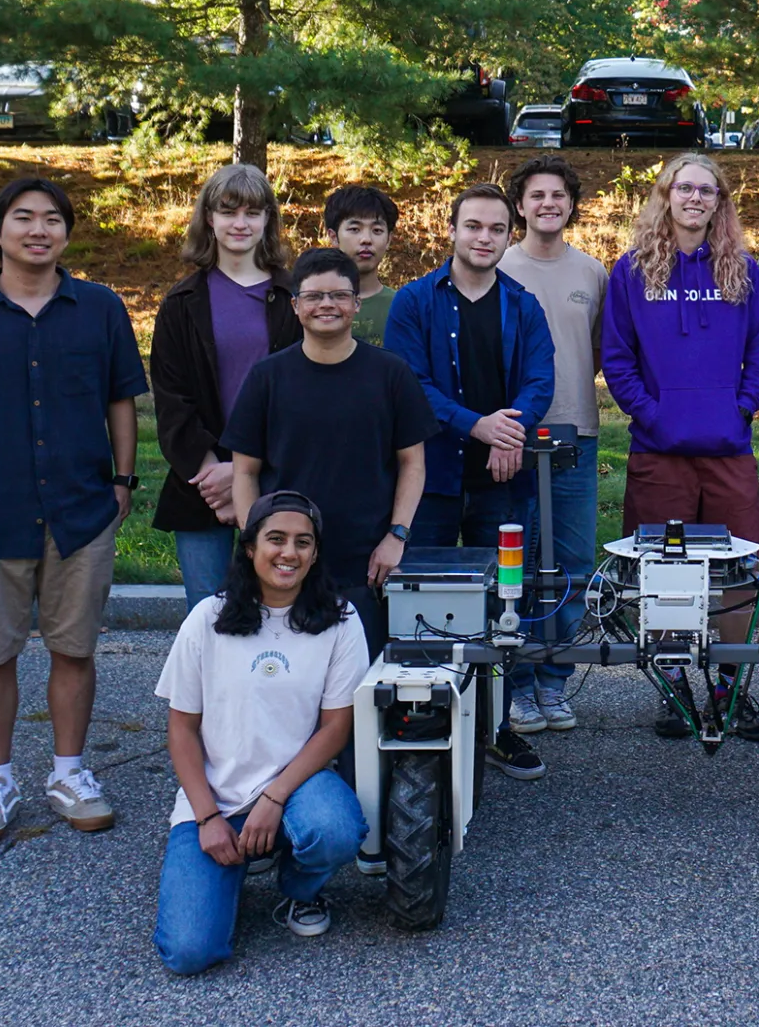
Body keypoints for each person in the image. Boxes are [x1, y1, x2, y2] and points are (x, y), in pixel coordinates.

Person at [0, 177, 148, 848]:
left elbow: (121, 400)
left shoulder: (99, 309)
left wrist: (122, 481)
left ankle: (70, 773)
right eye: (23, 219)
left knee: (74, 649)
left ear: (66, 234)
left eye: (52, 220)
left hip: (80, 511)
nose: (38, 230)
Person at [152, 491, 371, 974]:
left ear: (315, 554)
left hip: (297, 788)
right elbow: (181, 729)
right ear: (250, 547)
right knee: (189, 953)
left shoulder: (340, 620)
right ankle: (238, 855)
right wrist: (207, 818)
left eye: (302, 542)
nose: (288, 553)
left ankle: (298, 889)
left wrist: (273, 799)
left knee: (333, 829)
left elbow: (337, 727)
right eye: (275, 539)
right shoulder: (206, 619)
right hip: (216, 799)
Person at [602, 153, 759, 742]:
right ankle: (673, 682)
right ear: (666, 195)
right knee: (665, 572)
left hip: (728, 447)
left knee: (733, 573)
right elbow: (617, 358)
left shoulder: (744, 271)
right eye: (686, 188)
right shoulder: (630, 272)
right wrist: (650, 413)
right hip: (659, 448)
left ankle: (730, 684)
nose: (696, 198)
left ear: (720, 202)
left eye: (708, 190)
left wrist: (742, 408)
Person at [384, 184, 556, 780]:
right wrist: (479, 427)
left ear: (510, 236)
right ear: (452, 231)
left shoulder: (522, 304)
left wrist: (508, 434)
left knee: (505, 602)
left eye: (496, 229)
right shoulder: (414, 302)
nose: (484, 238)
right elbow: (412, 386)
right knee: (420, 599)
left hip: (501, 480)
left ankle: (498, 726)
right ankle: (418, 716)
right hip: (428, 478)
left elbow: (540, 380)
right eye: (474, 227)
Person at [223, 247, 435, 660]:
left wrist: (397, 536)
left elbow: (414, 464)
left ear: (356, 304)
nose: (326, 305)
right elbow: (245, 473)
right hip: (287, 563)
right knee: (283, 682)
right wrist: (259, 547)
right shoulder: (267, 377)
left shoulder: (391, 374)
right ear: (295, 305)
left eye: (338, 295)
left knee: (360, 690)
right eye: (314, 295)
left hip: (365, 562)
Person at [151, 164, 301, 608]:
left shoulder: (294, 298)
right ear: (209, 219)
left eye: (253, 213)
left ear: (268, 221)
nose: (240, 223)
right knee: (210, 619)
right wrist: (220, 475)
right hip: (205, 488)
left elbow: (301, 395)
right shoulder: (181, 303)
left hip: (279, 481)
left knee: (283, 618)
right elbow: (171, 399)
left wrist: (247, 476)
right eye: (228, 211)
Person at [498, 156, 606, 735]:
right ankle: (517, 686)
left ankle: (554, 682)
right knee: (517, 565)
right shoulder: (499, 266)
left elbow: (595, 347)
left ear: (570, 204)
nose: (547, 204)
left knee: (572, 563)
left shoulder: (592, 272)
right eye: (536, 195)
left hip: (576, 432)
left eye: (558, 195)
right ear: (520, 205)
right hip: (514, 436)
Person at [323, 185, 402, 345]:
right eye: (354, 229)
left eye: (377, 230)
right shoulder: (313, 304)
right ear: (333, 236)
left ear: (389, 239)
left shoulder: (402, 306)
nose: (366, 239)